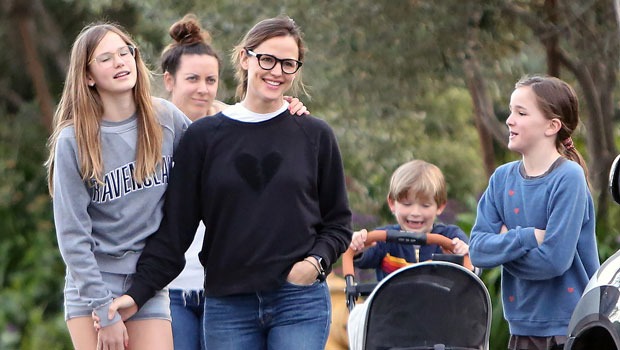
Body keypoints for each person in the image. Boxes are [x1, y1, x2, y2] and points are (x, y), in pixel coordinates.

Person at [105, 15, 352, 349]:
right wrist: (136, 294)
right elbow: (174, 233)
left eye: (288, 64)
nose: (277, 71)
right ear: (245, 58)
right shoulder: (203, 138)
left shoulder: (314, 134)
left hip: (299, 302)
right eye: (268, 59)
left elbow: (337, 224)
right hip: (228, 306)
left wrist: (315, 263)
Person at [159, 14, 309, 350]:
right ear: (169, 80)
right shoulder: (151, 135)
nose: (203, 88)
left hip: (228, 288)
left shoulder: (235, 129)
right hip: (172, 286)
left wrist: (288, 111)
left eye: (211, 80)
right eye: (193, 79)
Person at [46, 23, 191, 350]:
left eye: (125, 52)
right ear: (88, 76)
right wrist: (102, 309)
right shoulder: (73, 140)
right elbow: (72, 235)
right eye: (106, 58)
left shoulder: (165, 118)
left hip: (146, 286)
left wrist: (281, 110)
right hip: (92, 291)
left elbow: (214, 148)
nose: (120, 62)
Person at [468, 76, 600, 350]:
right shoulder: (501, 178)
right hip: (522, 329)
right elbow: (478, 251)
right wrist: (528, 237)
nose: (509, 120)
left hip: (570, 330)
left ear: (552, 126)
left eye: (521, 112)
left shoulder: (568, 178)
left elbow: (553, 261)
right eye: (510, 110)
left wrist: (502, 252)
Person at [349, 159, 470, 281]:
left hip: (439, 299)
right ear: (392, 204)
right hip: (393, 299)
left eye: (425, 205)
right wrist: (359, 247)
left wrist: (463, 253)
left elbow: (472, 266)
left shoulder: (451, 236)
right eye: (407, 204)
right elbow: (363, 259)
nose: (415, 213)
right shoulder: (383, 239)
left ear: (439, 207)